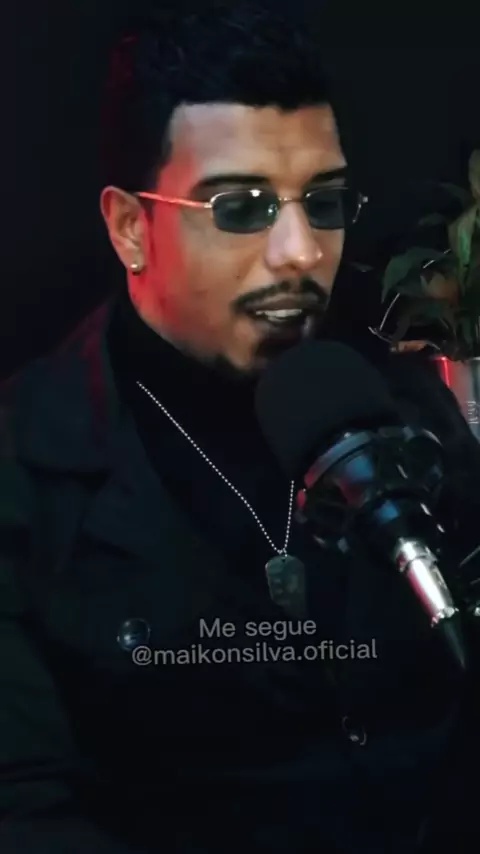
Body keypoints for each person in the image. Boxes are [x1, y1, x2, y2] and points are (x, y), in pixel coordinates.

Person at [1, 3, 480, 852]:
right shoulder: (24, 469)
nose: (301, 251)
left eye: (324, 202)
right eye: (241, 207)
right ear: (129, 227)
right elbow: (25, 804)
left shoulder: (408, 409)